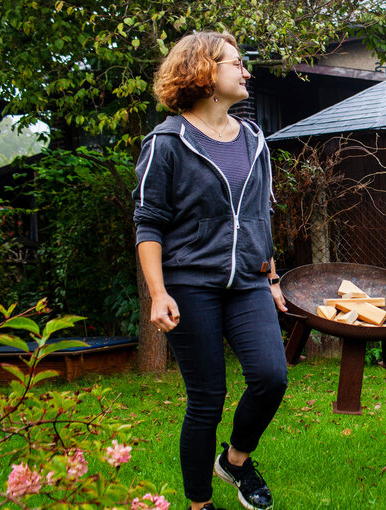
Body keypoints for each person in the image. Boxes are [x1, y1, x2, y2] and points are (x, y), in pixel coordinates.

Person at [132, 32, 287, 510]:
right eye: (236, 64)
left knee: (271, 376)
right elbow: (148, 224)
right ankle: (200, 504)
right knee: (207, 397)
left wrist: (273, 278)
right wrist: (158, 293)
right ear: (204, 73)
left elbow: (260, 214)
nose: (246, 73)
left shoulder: (254, 139)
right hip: (190, 284)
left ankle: (236, 461)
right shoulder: (166, 143)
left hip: (247, 283)